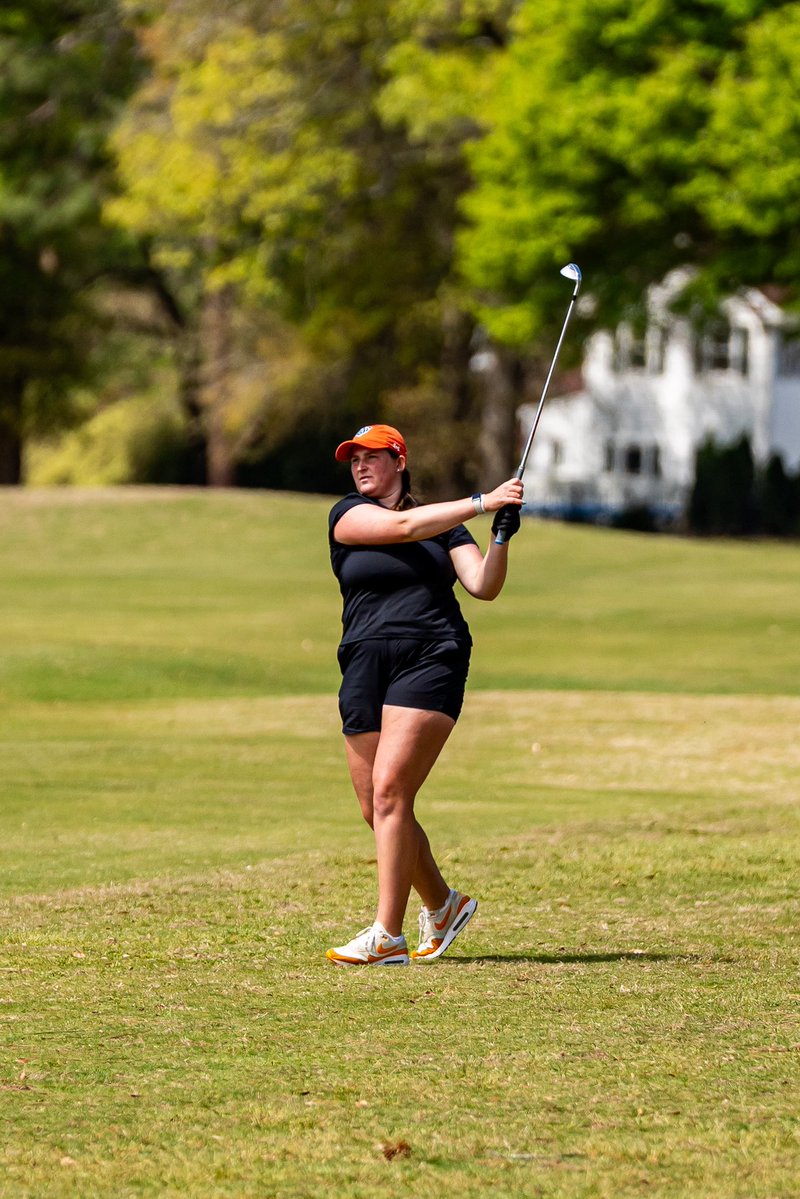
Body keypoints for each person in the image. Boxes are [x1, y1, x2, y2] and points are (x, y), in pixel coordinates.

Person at [325, 424, 524, 966]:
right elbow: (406, 524)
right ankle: (443, 904)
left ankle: (387, 936)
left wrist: (500, 534)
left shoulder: (447, 524)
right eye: (354, 459)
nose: (361, 466)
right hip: (364, 658)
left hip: (431, 653)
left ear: (399, 461)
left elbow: (483, 585)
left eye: (372, 457)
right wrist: (482, 502)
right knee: (376, 808)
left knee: (391, 792)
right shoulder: (347, 515)